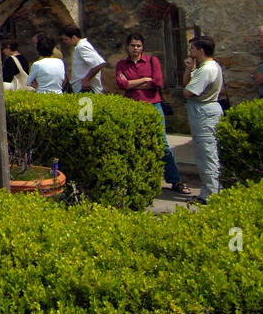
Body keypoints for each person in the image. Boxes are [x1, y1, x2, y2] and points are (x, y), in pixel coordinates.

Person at [115, 32, 185, 194]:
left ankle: (175, 180)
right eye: (133, 45)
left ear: (142, 47)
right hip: (133, 106)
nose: (136, 49)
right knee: (135, 143)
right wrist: (144, 80)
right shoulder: (122, 64)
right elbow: (121, 84)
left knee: (162, 144)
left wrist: (132, 83)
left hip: (153, 105)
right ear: (127, 46)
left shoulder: (152, 61)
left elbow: (158, 82)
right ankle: (140, 179)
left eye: (138, 45)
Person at [183, 35, 224, 204]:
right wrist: (188, 70)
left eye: (192, 48)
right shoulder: (203, 68)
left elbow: (188, 92)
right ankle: (211, 189)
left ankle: (210, 194)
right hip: (202, 112)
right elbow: (188, 84)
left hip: (204, 113)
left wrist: (190, 77)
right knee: (205, 153)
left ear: (201, 50)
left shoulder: (207, 69)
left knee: (207, 154)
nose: (190, 51)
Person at [60, 24, 106, 94]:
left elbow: (99, 63)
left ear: (74, 37)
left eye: (66, 39)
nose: (64, 42)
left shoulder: (82, 46)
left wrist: (86, 80)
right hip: (80, 88)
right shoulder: (79, 47)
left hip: (87, 89)